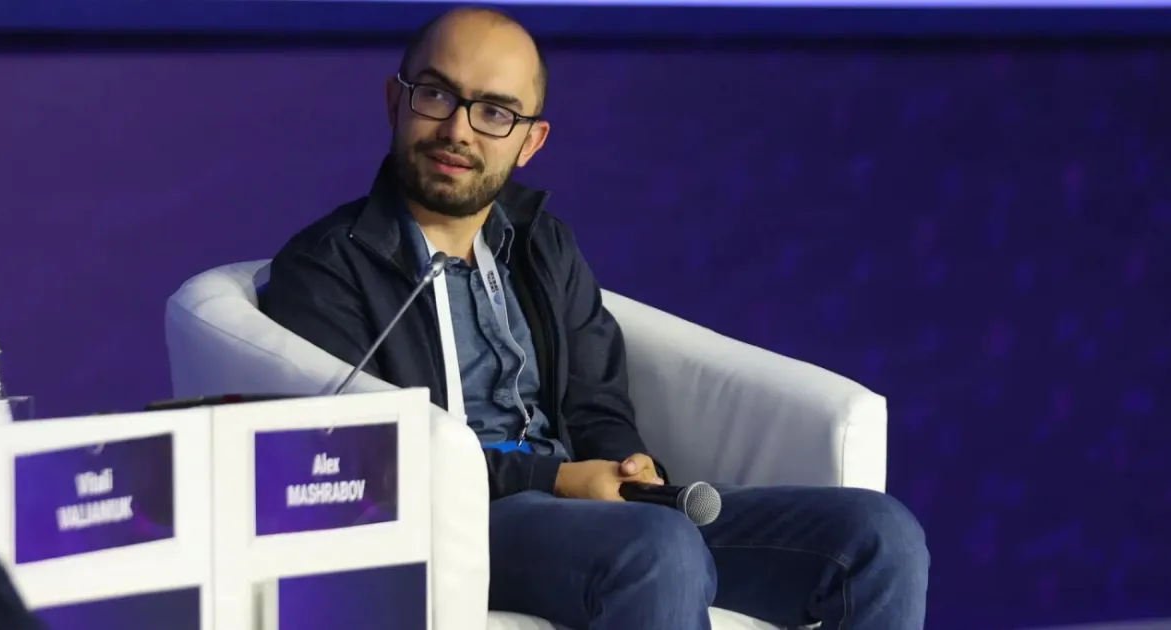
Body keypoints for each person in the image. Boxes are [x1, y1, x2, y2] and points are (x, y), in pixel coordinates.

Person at [264, 7, 930, 629]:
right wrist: (554, 479)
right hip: (460, 524)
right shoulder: (326, 268)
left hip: (592, 514)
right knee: (658, 548)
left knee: (879, 537)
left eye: (494, 112)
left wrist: (623, 465)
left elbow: (596, 400)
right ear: (395, 100)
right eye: (436, 95)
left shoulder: (541, 243)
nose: (458, 130)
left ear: (530, 141)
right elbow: (368, 466)